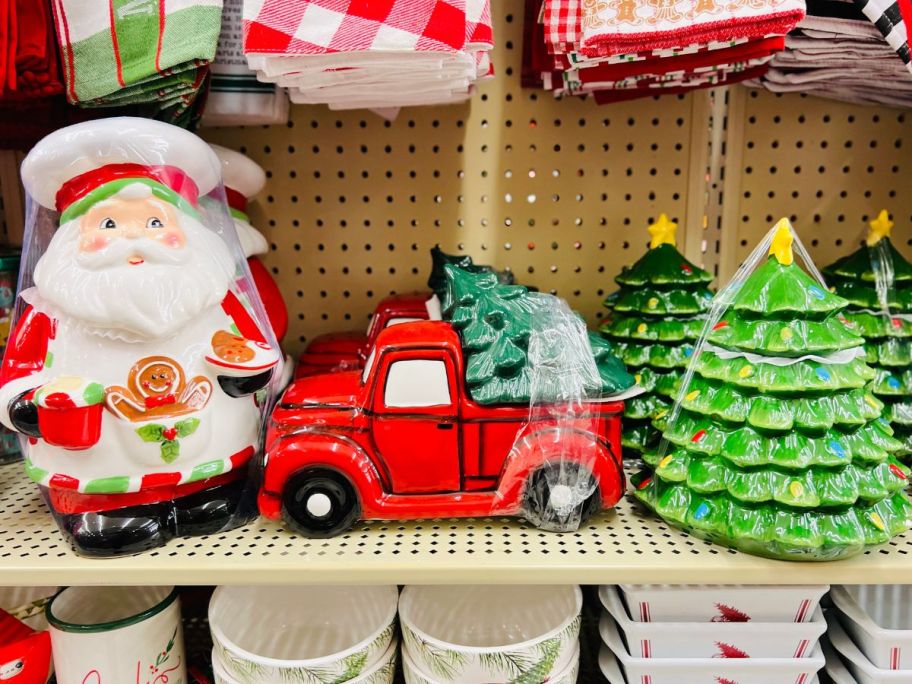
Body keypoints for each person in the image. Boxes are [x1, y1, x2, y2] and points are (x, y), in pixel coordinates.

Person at [0, 118, 280, 556]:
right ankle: (106, 507)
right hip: (97, 473)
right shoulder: (46, 310)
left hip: (214, 462)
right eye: (109, 225)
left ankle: (203, 494)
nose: (135, 239)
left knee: (212, 503)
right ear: (73, 236)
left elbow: (251, 347)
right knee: (112, 516)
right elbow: (18, 372)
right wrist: (27, 407)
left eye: (154, 222)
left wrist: (248, 374)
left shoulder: (212, 294)